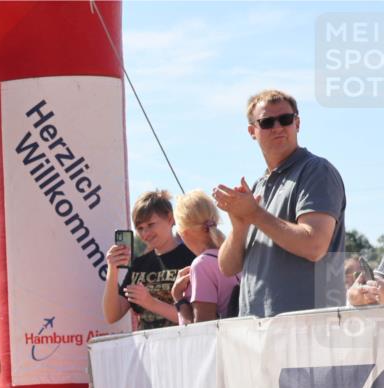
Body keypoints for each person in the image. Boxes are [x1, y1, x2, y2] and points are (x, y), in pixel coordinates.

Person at [215, 89, 346, 317]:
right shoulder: (258, 187)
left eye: (285, 119)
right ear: (252, 131)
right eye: (267, 122)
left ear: (297, 123)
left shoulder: (316, 171)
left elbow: (314, 246)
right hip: (258, 327)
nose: (277, 127)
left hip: (308, 325)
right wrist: (239, 225)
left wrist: (254, 214)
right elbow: (227, 267)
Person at [103, 189, 196, 330]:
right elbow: (112, 315)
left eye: (151, 224)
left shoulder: (192, 258)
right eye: (140, 228)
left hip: (184, 342)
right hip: (146, 343)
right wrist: (112, 269)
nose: (145, 233)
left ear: (170, 219)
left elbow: (196, 319)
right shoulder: (139, 264)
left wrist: (151, 303)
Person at [170, 190, 241, 323]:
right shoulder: (235, 255)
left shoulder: (202, 265)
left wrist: (178, 298)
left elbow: (203, 328)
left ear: (184, 232)